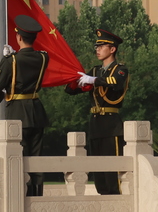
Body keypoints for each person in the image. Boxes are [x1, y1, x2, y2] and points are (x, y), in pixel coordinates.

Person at [0, 15, 49, 197]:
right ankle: (36, 198)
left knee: (17, 160)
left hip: (16, 113)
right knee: (36, 161)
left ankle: (19, 197)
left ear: (19, 37)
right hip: (37, 112)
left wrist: (4, 62)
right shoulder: (43, 58)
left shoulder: (11, 61)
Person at [65, 29, 129, 195]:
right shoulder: (95, 71)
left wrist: (93, 80)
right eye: (97, 47)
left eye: (101, 46)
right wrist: (74, 79)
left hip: (111, 123)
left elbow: (115, 82)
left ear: (112, 49)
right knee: (98, 167)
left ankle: (115, 199)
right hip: (95, 122)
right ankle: (103, 196)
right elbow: (70, 91)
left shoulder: (120, 69)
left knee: (112, 166)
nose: (97, 49)